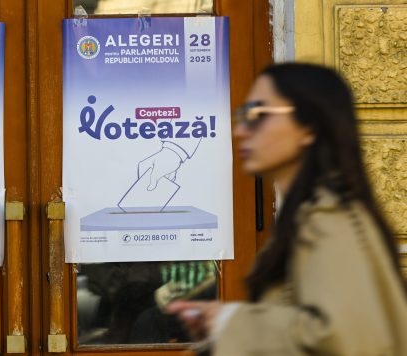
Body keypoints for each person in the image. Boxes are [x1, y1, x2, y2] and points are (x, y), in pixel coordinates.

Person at [167, 63, 407, 355]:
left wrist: (231, 321)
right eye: (243, 115)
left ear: (309, 127)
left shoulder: (327, 218)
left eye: (258, 115)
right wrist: (221, 334)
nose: (240, 130)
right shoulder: (310, 215)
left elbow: (344, 337)